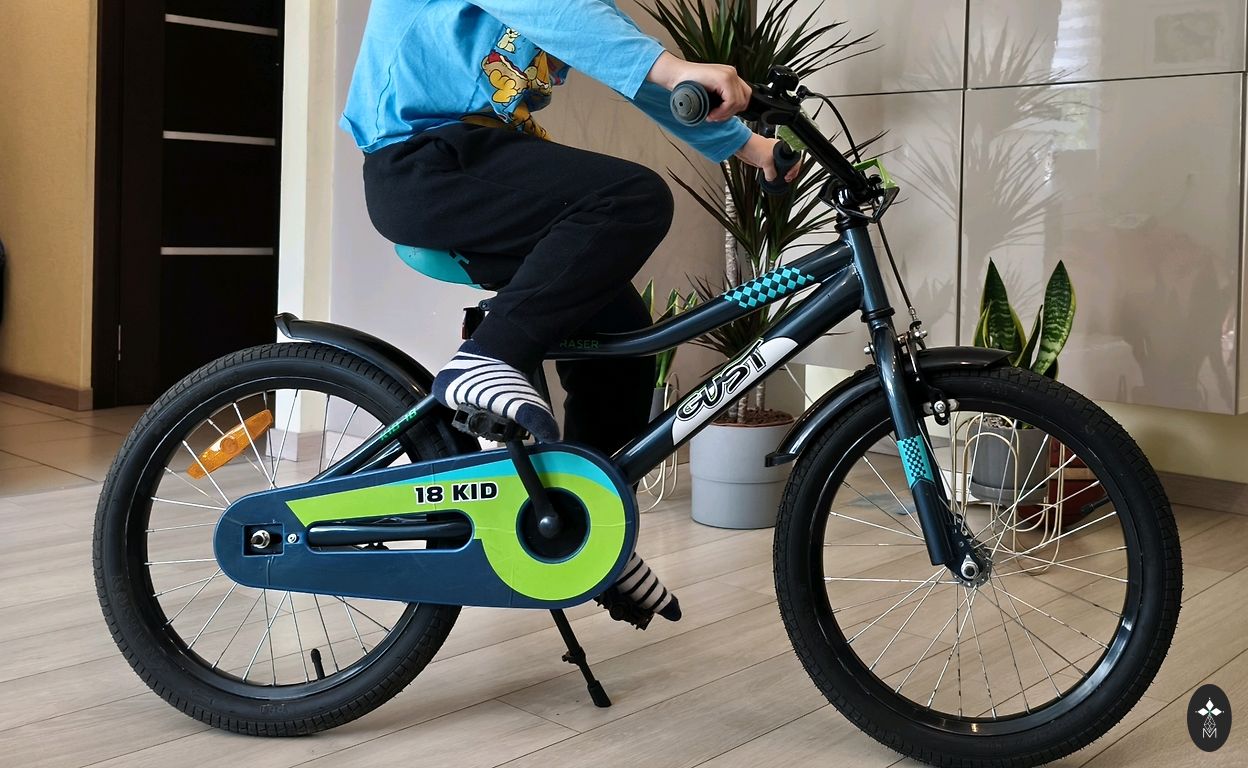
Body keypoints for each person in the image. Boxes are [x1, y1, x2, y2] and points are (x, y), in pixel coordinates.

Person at [342, 0, 799, 627]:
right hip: (422, 162)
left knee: (625, 342)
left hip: (471, 164)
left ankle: (587, 528)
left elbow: (623, 62)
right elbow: (558, 13)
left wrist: (751, 147)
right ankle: (486, 358)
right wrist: (675, 68)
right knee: (630, 198)